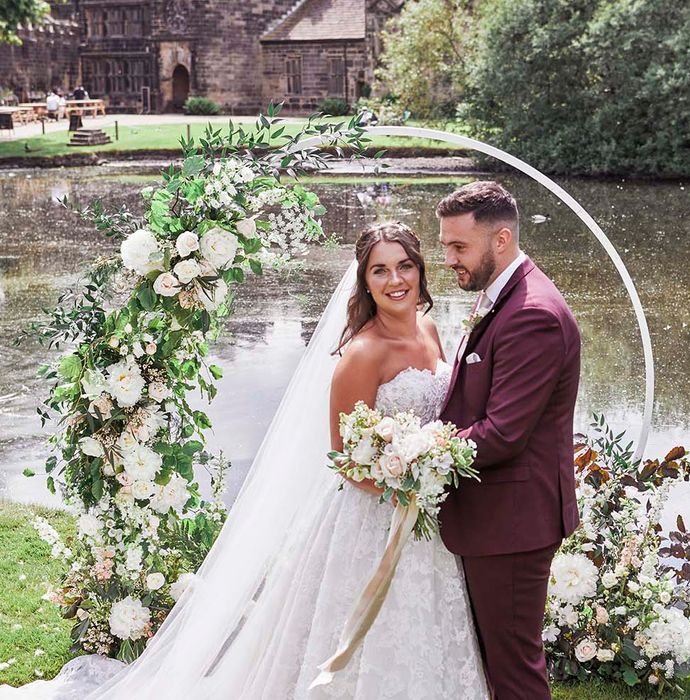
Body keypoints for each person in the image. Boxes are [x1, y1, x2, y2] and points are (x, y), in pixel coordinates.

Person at [0, 222, 487, 699]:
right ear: (363, 280)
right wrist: (405, 486)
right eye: (379, 271)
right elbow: (345, 458)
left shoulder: (429, 327)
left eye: (404, 266)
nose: (395, 280)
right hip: (374, 519)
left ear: (421, 271)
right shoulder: (362, 354)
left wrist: (431, 470)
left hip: (428, 515)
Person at [437, 181, 581, 700]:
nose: (447, 258)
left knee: (514, 671)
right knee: (495, 662)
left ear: (500, 239)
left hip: (513, 524)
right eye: (445, 244)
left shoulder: (532, 314)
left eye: (458, 246)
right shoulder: (502, 294)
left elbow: (503, 434)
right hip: (496, 517)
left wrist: (420, 454)